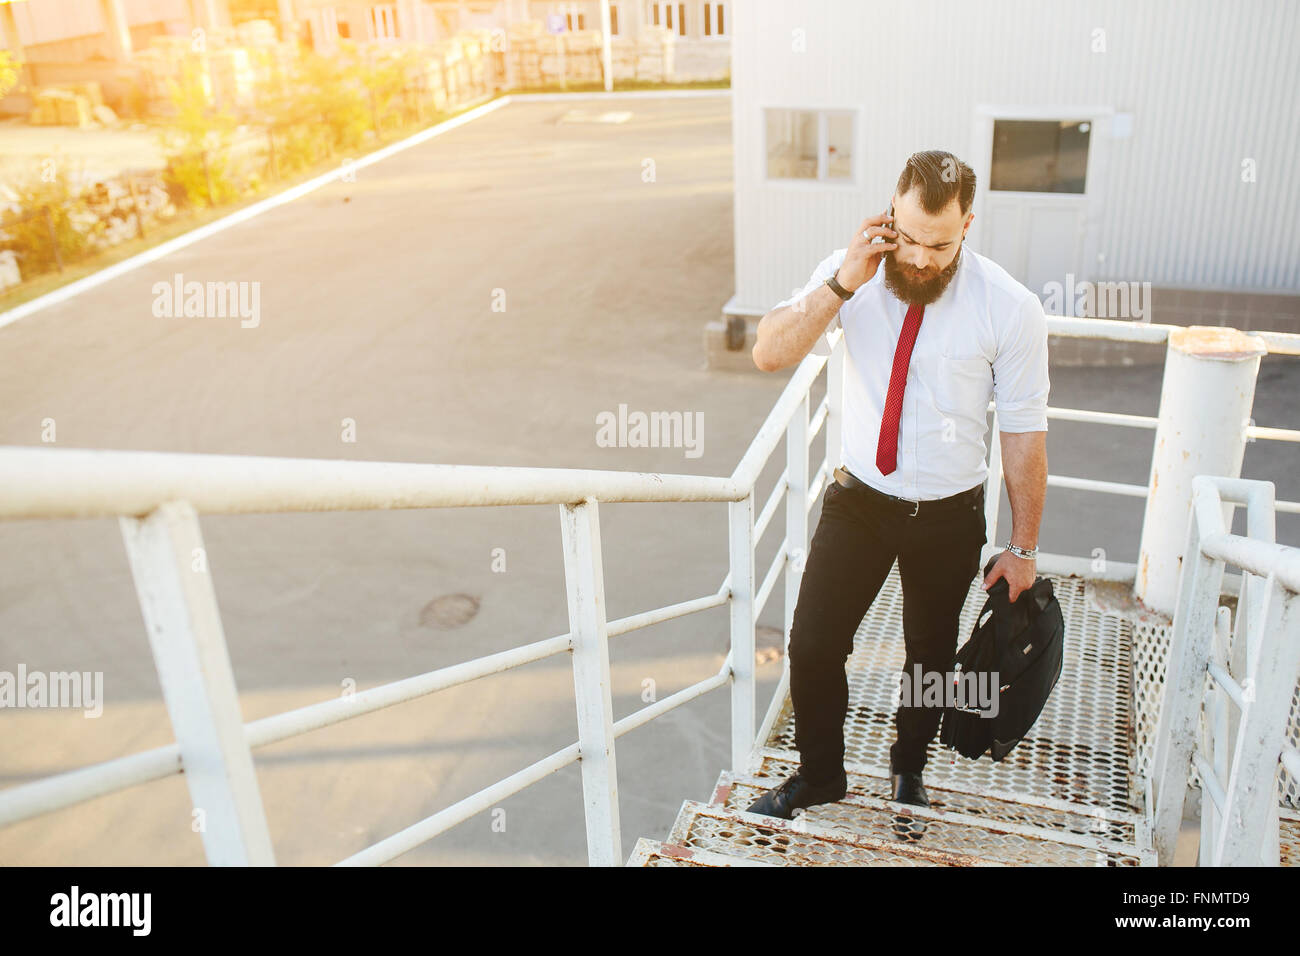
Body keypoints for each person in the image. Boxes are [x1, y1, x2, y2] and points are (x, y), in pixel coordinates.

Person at [747, 150, 1049, 820]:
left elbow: (1025, 434)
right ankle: (821, 775)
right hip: (859, 502)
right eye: (906, 236)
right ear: (891, 210)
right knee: (813, 644)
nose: (916, 258)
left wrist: (1022, 548)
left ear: (967, 224)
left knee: (930, 658)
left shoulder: (1009, 307)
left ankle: (908, 766)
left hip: (948, 513)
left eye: (937, 245)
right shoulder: (850, 269)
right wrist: (840, 285)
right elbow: (768, 351)